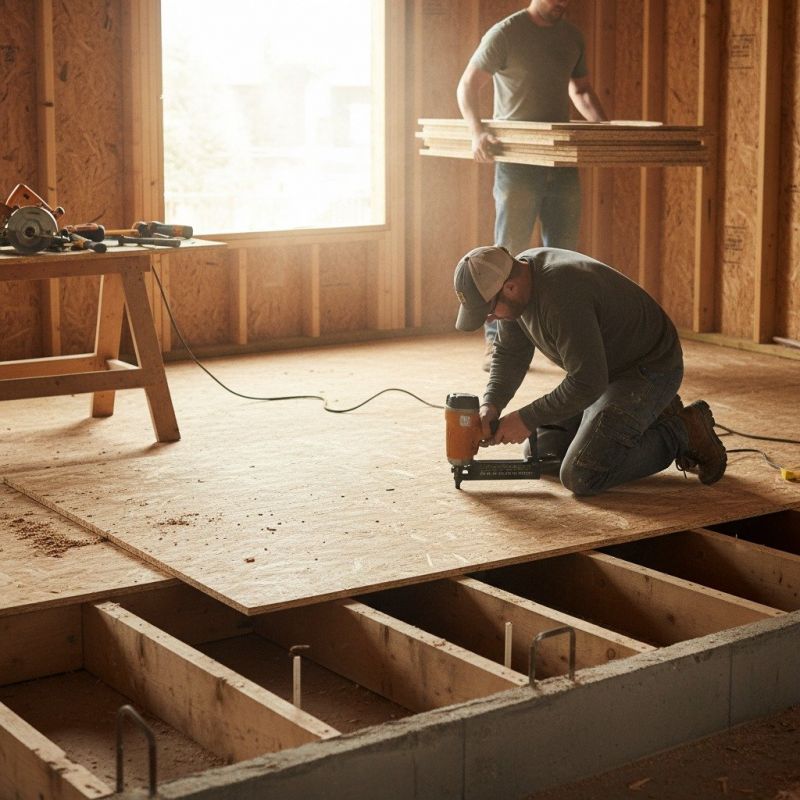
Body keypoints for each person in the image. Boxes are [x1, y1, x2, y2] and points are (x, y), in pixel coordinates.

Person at [452, 245, 727, 496]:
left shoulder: (561, 295)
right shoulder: (518, 280)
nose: (491, 319)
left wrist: (526, 418)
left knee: (581, 474)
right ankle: (651, 413)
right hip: (604, 370)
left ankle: (683, 430)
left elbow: (586, 383)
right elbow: (510, 354)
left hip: (648, 369)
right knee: (545, 454)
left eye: (490, 312)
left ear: (509, 287)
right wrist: (492, 405)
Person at [456, 0, 608, 370]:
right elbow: (467, 85)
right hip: (517, 161)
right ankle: (498, 343)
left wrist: (605, 131)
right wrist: (477, 132)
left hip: (561, 162)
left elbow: (581, 91)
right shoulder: (506, 34)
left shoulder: (572, 37)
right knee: (505, 257)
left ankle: (563, 340)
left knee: (564, 257)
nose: (563, 3)